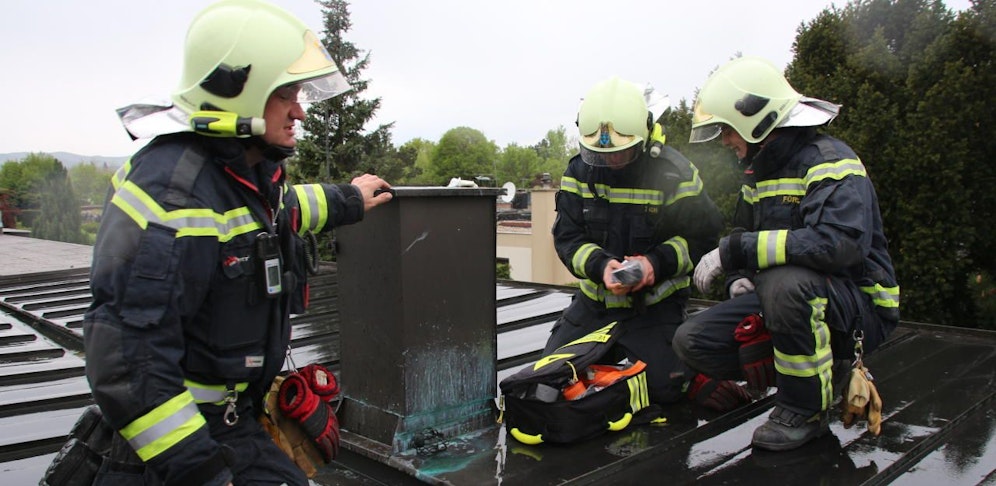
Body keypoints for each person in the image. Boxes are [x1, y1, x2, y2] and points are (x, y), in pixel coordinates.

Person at [82, 1, 393, 484]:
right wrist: (205, 472)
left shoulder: (239, 173)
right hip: (186, 442)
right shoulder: (172, 197)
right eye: (285, 94)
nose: (300, 111)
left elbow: (277, 213)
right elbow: (129, 364)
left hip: (233, 418)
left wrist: (350, 199)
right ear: (237, 92)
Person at [674, 56, 900, 451]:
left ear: (755, 121)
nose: (725, 140)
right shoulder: (758, 172)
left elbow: (839, 244)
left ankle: (804, 410)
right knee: (692, 341)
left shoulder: (831, 162)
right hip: (792, 300)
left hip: (858, 307)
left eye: (728, 129)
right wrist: (740, 277)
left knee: (784, 283)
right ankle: (821, 372)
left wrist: (736, 252)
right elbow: (748, 234)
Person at [543, 76, 747, 410]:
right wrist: (601, 267)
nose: (611, 162)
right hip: (594, 307)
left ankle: (687, 374)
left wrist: (655, 264)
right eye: (600, 154)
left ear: (645, 135)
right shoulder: (578, 172)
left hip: (654, 308)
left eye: (622, 153)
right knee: (550, 381)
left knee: (669, 389)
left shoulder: (674, 173)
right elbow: (568, 238)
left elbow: (702, 238)